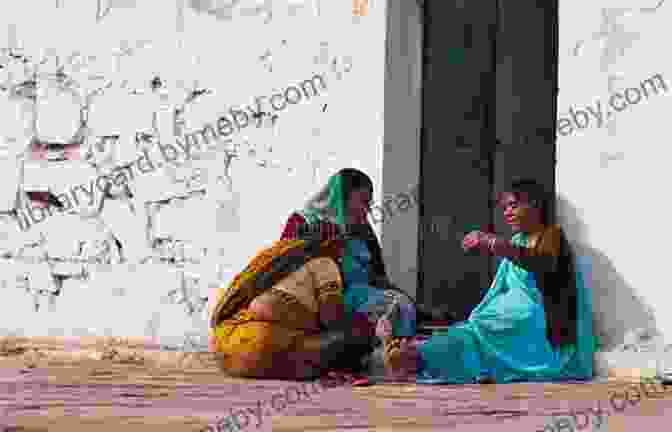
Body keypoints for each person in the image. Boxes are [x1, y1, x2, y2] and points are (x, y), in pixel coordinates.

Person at [379, 178, 594, 383]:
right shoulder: (517, 240)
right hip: (507, 316)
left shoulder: (551, 235)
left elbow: (542, 263)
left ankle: (413, 355)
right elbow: (500, 289)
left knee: (479, 332)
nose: (507, 213)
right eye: (505, 208)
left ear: (535, 205)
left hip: (534, 323)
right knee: (469, 333)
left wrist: (492, 243)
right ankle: (415, 354)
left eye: (513, 206)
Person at [208, 168, 416, 379]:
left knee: (398, 305)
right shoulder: (305, 225)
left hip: (354, 298)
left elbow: (377, 276)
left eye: (369, 204)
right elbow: (281, 263)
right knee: (361, 326)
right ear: (342, 197)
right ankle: (375, 361)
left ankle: (397, 358)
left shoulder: (364, 232)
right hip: (317, 301)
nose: (366, 211)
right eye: (362, 201)